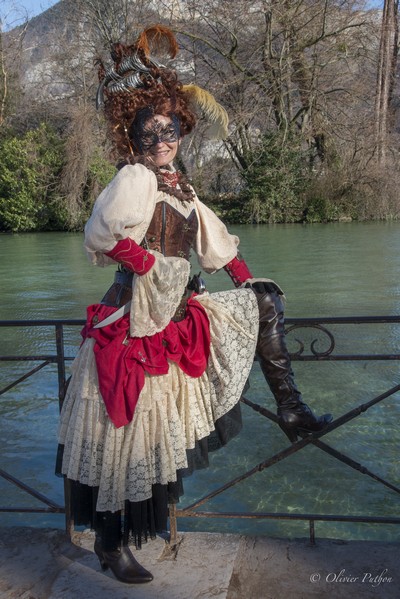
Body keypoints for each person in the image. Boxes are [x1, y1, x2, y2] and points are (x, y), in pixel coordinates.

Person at [57, 25, 332, 584]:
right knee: (124, 439)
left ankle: (291, 409)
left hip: (174, 316)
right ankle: (111, 545)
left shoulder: (181, 188)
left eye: (172, 129)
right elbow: (102, 236)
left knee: (264, 302)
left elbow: (220, 249)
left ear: (183, 129)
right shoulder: (135, 177)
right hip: (133, 324)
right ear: (133, 135)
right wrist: (151, 267)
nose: (163, 139)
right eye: (151, 130)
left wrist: (250, 285)